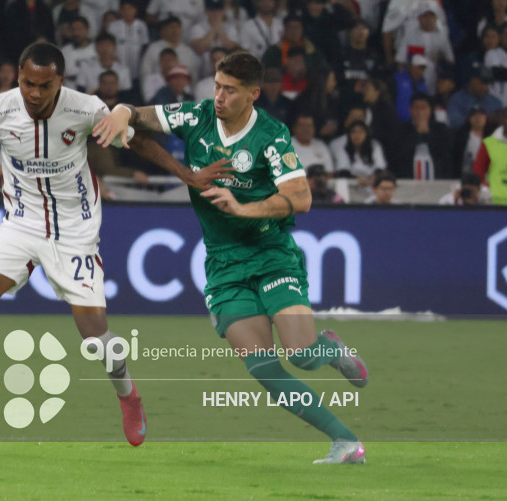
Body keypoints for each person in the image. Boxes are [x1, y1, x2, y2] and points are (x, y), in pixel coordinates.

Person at [0, 42, 225, 448]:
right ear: (17, 75)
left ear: (60, 82)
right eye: (28, 83)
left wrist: (185, 174)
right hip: (21, 222)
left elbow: (135, 141)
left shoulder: (85, 109)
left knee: (93, 337)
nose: (34, 93)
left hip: (74, 228)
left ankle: (129, 395)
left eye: (44, 86)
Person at [94, 51, 369, 464]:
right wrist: (119, 111)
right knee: (263, 368)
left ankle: (330, 349)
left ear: (253, 94)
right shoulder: (198, 117)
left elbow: (301, 198)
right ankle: (345, 442)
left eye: (230, 90)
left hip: (270, 252)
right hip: (224, 265)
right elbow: (137, 116)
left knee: (301, 354)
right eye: (217, 86)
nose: (218, 97)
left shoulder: (271, 135)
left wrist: (243, 208)